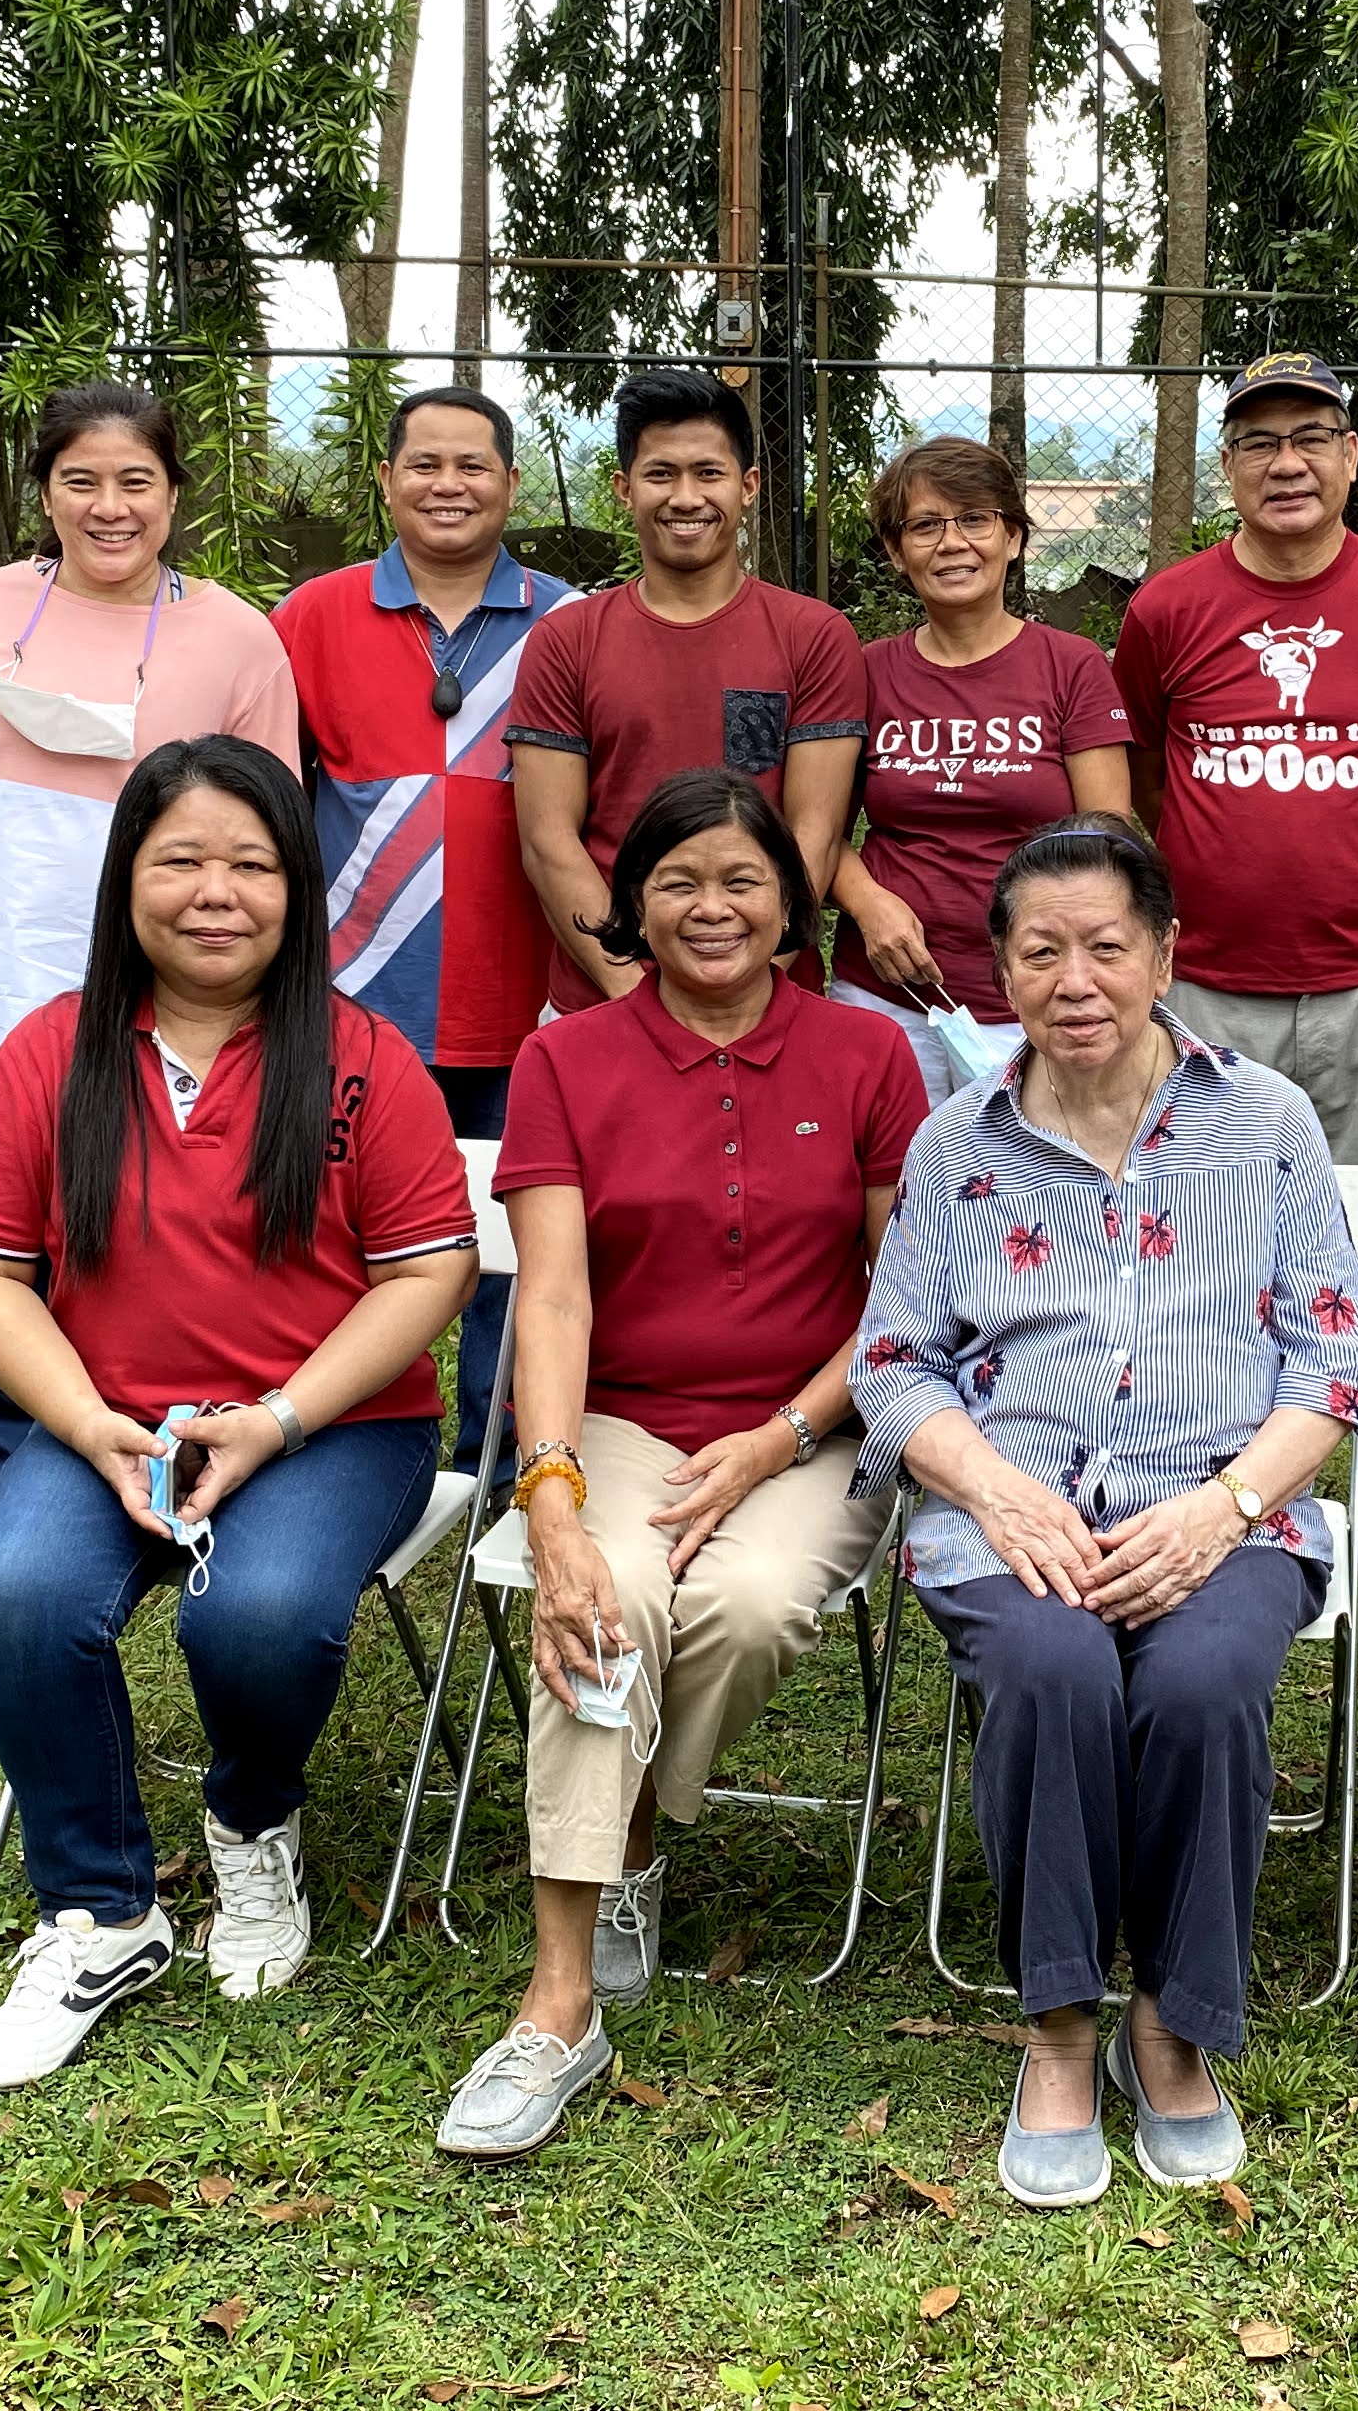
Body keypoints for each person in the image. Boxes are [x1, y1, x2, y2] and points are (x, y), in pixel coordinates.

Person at [852, 819, 1358, 2209]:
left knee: (1202, 1684)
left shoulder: (1266, 1122)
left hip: (1226, 1503)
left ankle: (1173, 2019)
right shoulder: (956, 1145)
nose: (1075, 980)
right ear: (1001, 972)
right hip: (1013, 1510)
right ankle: (1056, 2023)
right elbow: (893, 1365)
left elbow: (1334, 1368)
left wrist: (1224, 1508)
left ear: (1164, 955)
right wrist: (995, 1490)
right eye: (1041, 951)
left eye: (1106, 946)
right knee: (1054, 1669)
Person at [0, 735, 480, 2088]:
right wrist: (84, 1423)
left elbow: (430, 1274)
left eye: (252, 863)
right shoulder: (52, 1052)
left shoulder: (362, 1060)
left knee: (259, 1615)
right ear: (127, 878)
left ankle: (250, 1817)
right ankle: (100, 1911)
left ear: (297, 888)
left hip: (331, 1428)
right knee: (23, 1594)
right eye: (180, 860)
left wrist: (278, 1420)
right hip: (111, 1420)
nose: (215, 892)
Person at [437, 770, 929, 2160]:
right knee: (607, 1606)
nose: (712, 908)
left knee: (752, 1602)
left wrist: (779, 1436)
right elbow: (551, 1299)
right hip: (616, 1418)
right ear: (632, 908)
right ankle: (559, 2006)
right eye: (678, 882)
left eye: (743, 881)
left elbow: (906, 1299)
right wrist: (551, 1496)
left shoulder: (868, 1054)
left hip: (814, 1423)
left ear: (792, 903)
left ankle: (633, 1828)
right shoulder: (565, 1061)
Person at [0, 383, 301, 1500]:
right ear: (45, 492)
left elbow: (274, 841)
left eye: (136, 481)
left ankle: (155, 1449)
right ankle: (4, 1478)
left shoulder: (236, 638)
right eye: (82, 481)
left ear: (174, 494)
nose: (111, 507)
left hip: (162, 1010)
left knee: (137, 1246)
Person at [1112, 350, 1358, 1616]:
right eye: (1259, 440)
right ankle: (1206, 1479)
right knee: (1189, 1255)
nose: (1287, 462)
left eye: (1312, 436)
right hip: (1204, 994)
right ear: (1227, 464)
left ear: (1351, 456)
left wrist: (1350, 856)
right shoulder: (1168, 610)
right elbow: (1147, 782)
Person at [273, 383, 579, 1455]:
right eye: (425, 465)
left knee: (525, 1240)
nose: (449, 485)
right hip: (354, 994)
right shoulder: (311, 616)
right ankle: (341, 1438)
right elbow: (269, 801)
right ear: (386, 479)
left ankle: (500, 1458)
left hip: (528, 997)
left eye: (473, 465)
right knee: (339, 1230)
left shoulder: (571, 622)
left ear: (512, 482)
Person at [510, 370, 869, 1011]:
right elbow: (548, 841)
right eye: (660, 474)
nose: (685, 497)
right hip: (602, 1002)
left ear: (747, 486)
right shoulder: (566, 640)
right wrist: (637, 998)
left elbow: (813, 835)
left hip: (772, 1001)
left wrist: (744, 988)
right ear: (624, 489)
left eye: (708, 473)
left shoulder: (814, 636)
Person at [829, 435, 1133, 1101]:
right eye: (925, 525)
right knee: (889, 1167)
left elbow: (1107, 838)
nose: (952, 543)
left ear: (1013, 538)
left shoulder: (1071, 667)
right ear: (896, 551)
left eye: (974, 519)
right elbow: (819, 830)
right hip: (886, 993)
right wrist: (870, 905)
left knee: (1034, 1169)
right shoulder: (865, 671)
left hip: (1033, 999)